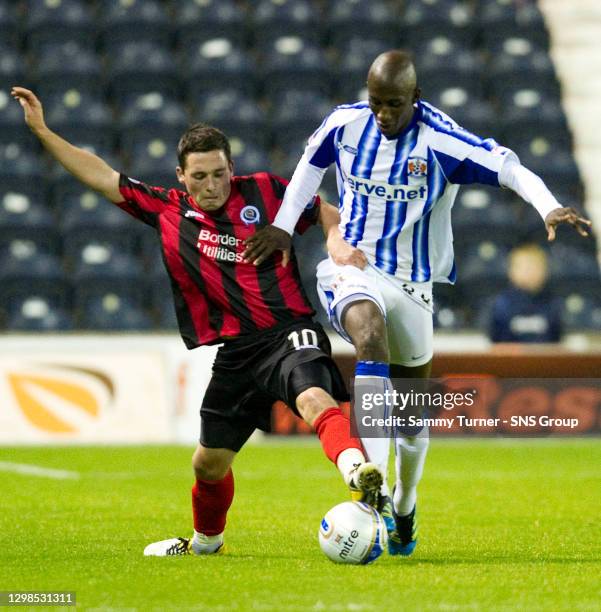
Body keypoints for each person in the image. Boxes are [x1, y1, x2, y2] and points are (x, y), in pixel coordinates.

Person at [242, 49, 592, 556]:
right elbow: (305, 174)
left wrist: (549, 205)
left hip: (413, 285)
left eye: (394, 104)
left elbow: (508, 167)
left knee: (410, 416)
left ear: (415, 98)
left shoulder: (442, 141)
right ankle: (374, 486)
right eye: (376, 102)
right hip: (352, 268)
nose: (382, 114)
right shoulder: (345, 125)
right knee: (368, 336)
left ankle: (404, 507)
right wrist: (279, 226)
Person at [11, 86, 385, 557]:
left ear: (232, 166)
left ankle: (357, 471)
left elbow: (323, 209)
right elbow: (102, 176)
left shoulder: (269, 191)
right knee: (207, 464)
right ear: (181, 177)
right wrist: (43, 131)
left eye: (220, 174)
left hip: (289, 329)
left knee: (313, 397)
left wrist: (333, 237)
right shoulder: (169, 210)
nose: (212, 186)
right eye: (200, 177)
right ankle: (206, 543)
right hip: (236, 352)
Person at [489, 243, 563, 343]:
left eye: (535, 267)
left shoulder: (553, 303)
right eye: (525, 267)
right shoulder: (501, 304)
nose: (530, 272)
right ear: (511, 271)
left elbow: (556, 338)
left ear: (545, 271)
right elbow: (496, 339)